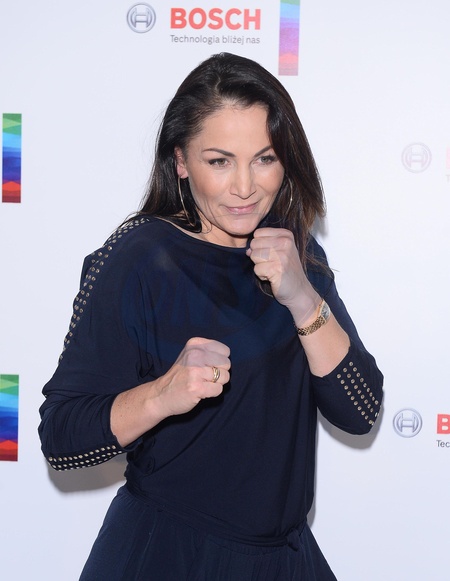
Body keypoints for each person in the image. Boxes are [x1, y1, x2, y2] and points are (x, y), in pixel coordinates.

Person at [38, 52, 383, 580]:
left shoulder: (294, 250)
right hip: (167, 556)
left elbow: (360, 411)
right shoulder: (138, 257)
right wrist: (162, 395)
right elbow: (63, 440)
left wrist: (301, 297)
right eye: (220, 161)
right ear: (181, 161)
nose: (245, 187)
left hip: (283, 559)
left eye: (264, 159)